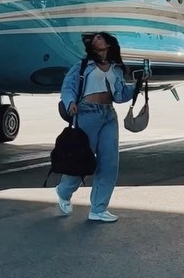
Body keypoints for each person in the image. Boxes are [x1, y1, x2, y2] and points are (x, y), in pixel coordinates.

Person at [55, 32, 143, 222]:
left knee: (110, 163)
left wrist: (136, 86)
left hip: (108, 115)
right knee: (82, 160)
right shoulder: (82, 66)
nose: (96, 39)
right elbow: (67, 87)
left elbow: (119, 96)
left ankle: (98, 209)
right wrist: (70, 102)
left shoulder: (117, 69)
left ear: (109, 44)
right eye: (94, 38)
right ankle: (64, 191)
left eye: (100, 37)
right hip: (86, 114)